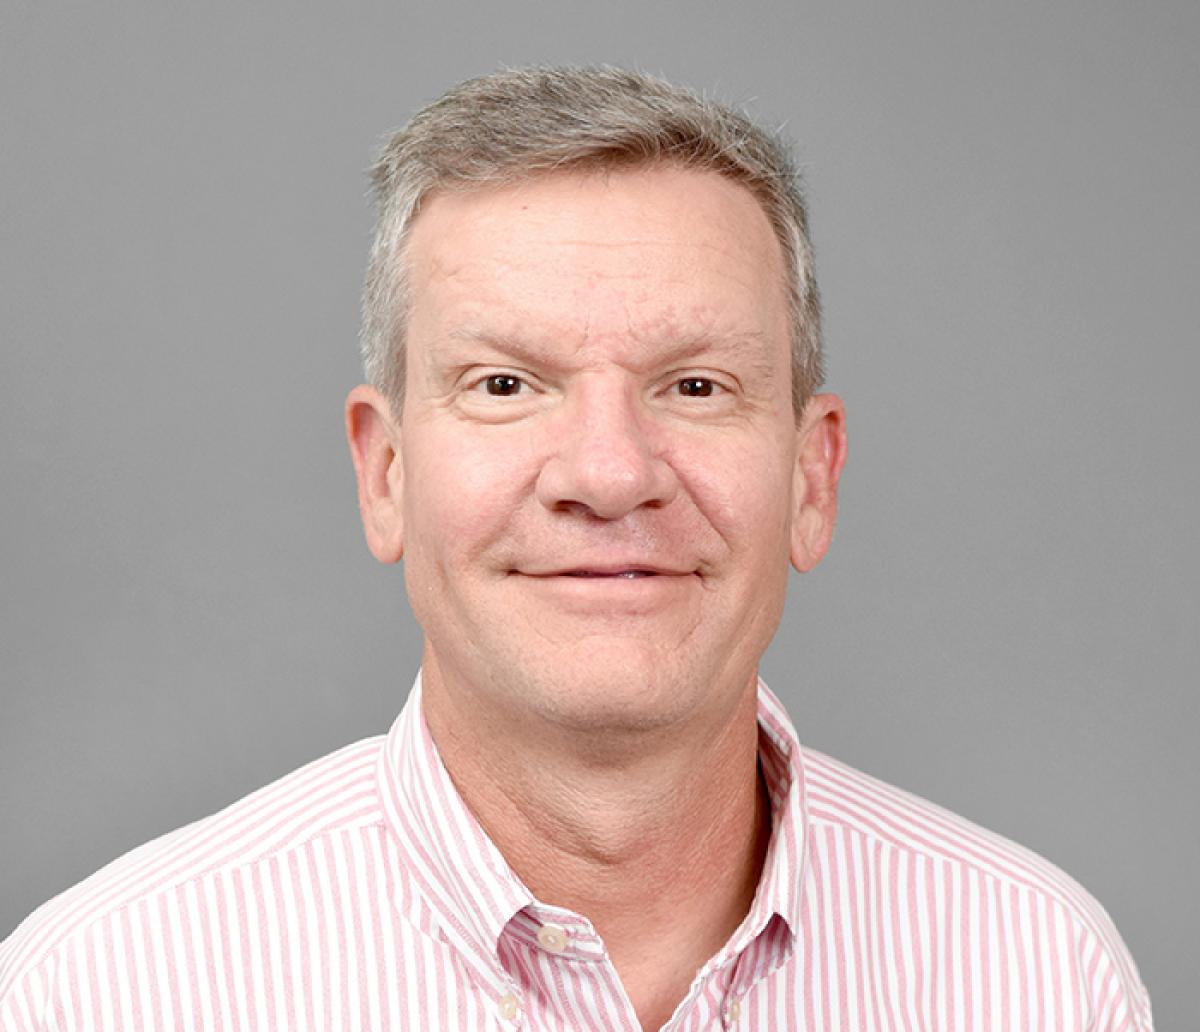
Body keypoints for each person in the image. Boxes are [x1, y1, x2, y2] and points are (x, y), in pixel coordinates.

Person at [0, 65, 1152, 1031]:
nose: (608, 474)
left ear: (812, 476)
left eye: (695, 385)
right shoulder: (101, 989)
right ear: (385, 472)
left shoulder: (1041, 973)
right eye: (506, 385)